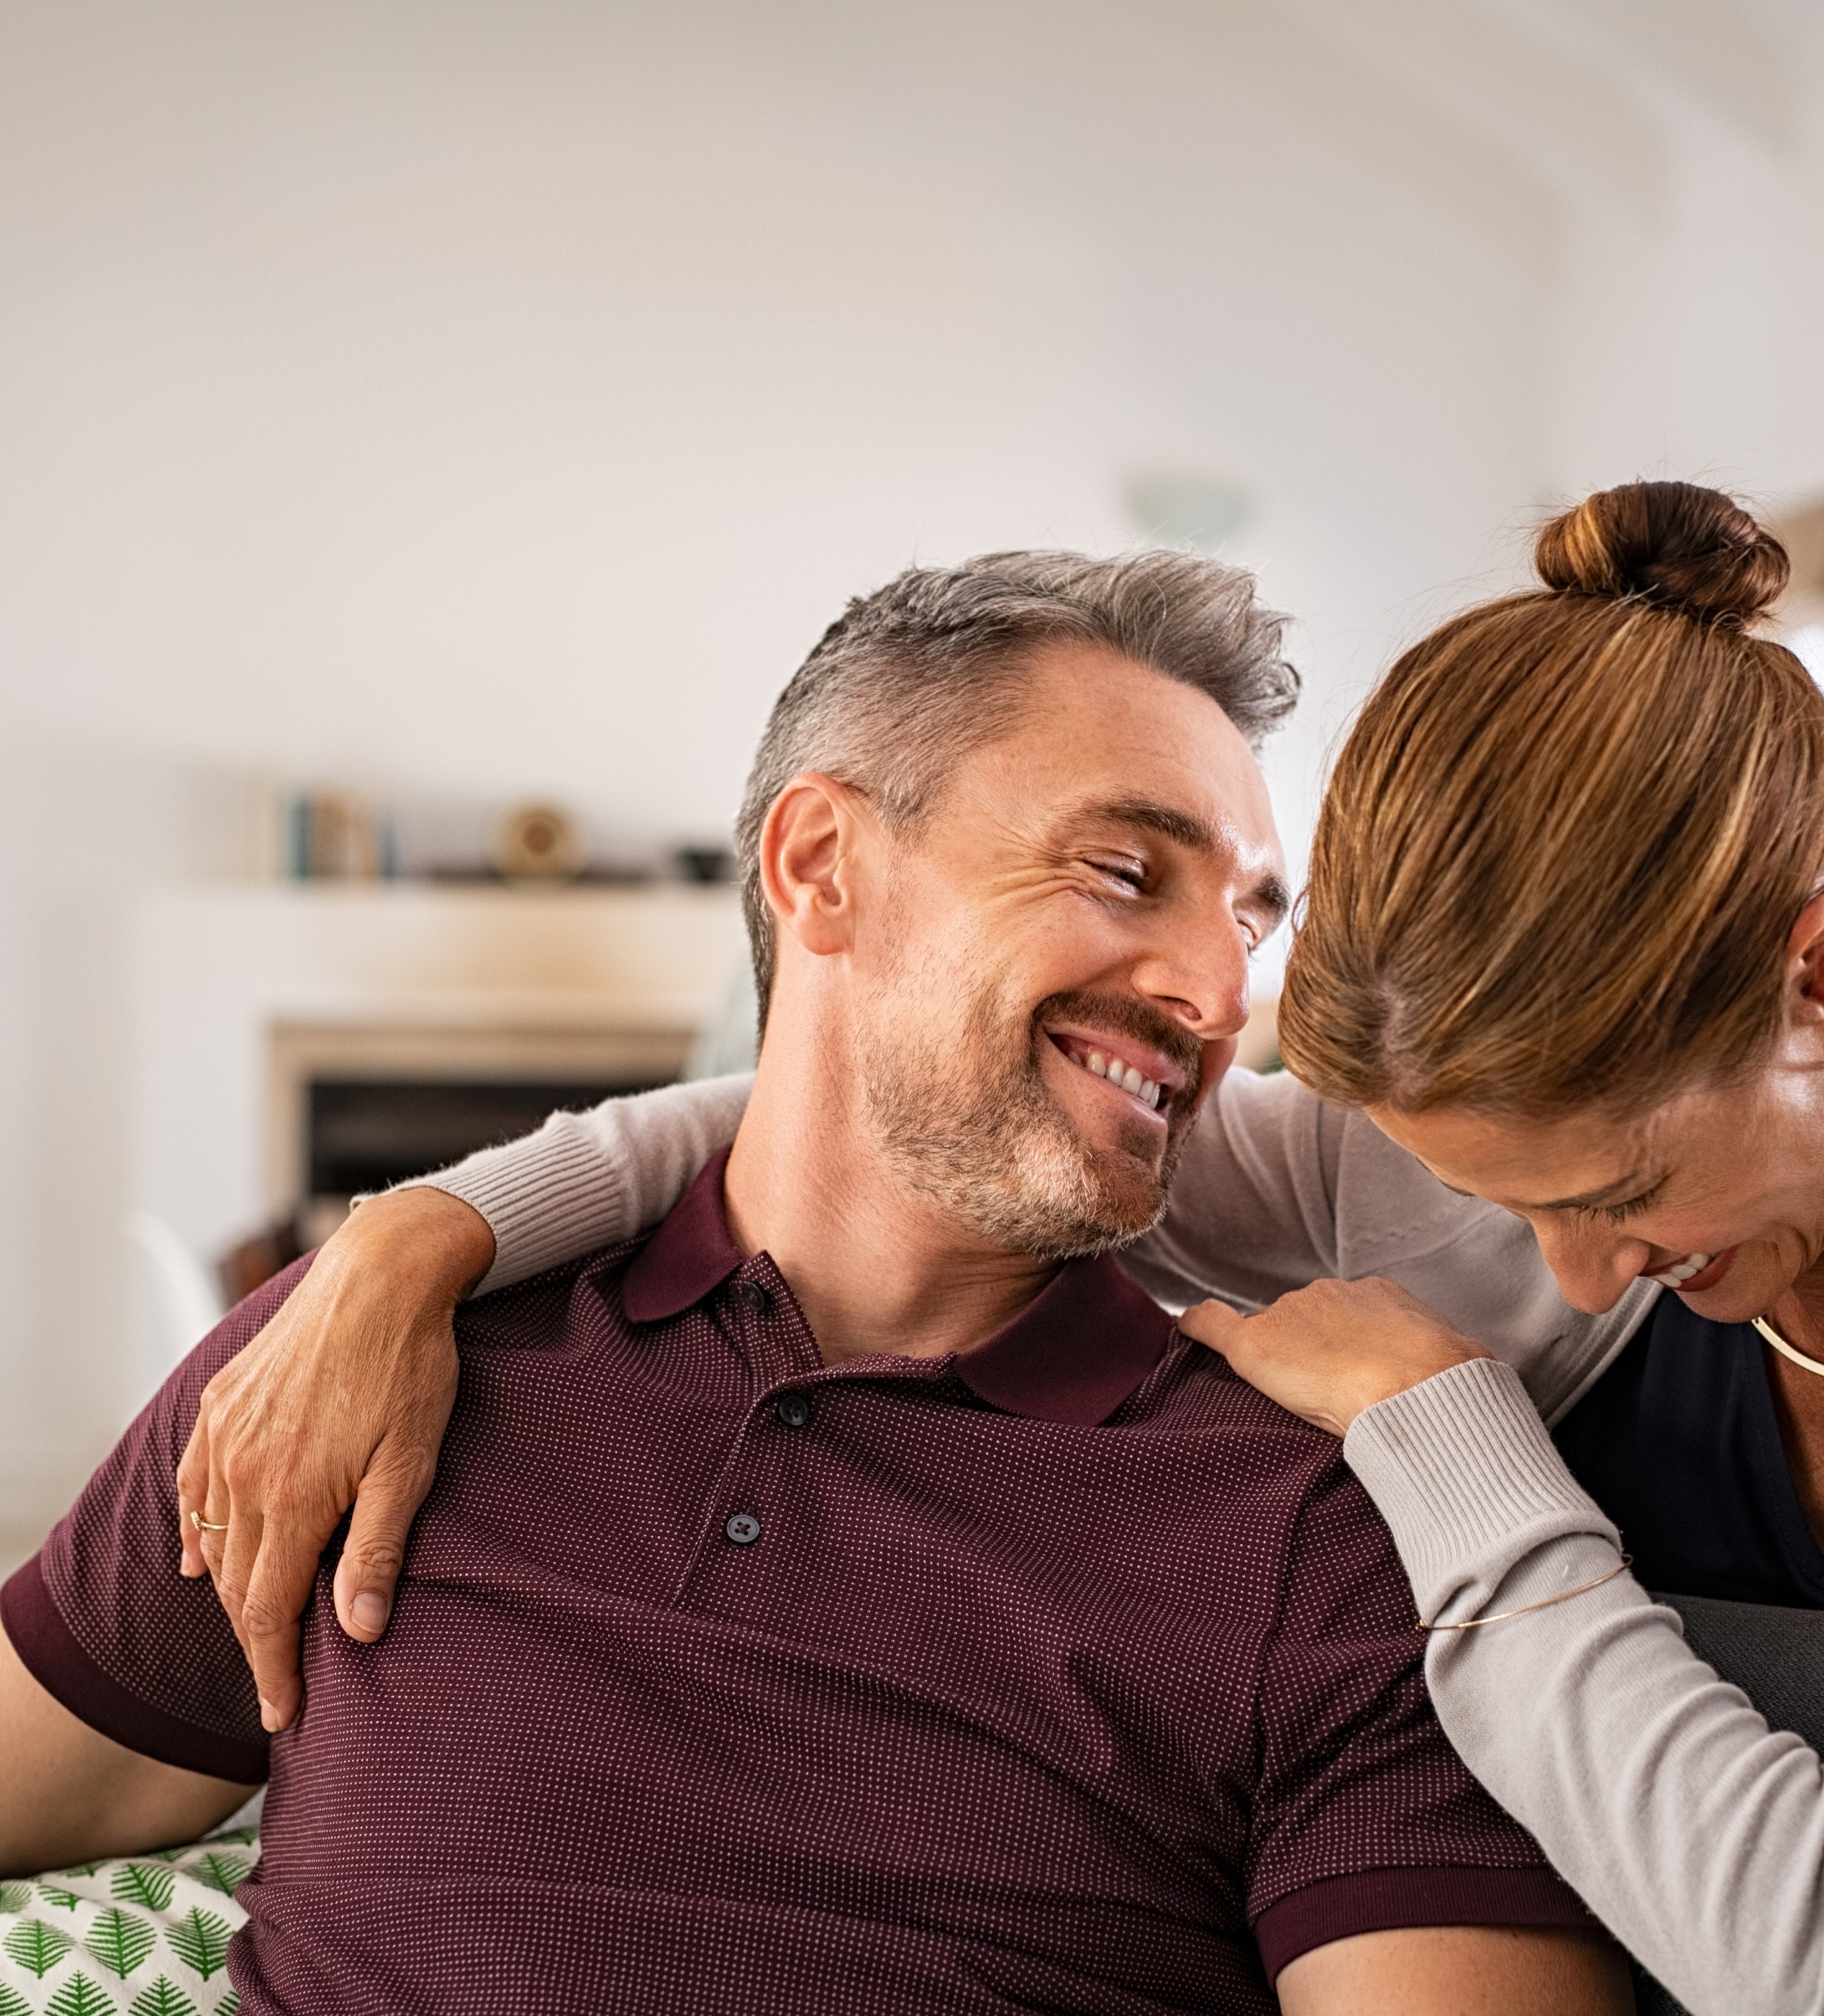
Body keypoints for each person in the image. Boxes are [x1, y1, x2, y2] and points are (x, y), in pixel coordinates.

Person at [177, 483, 1824, 2015]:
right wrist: (419, 1239)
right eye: (1506, 1199)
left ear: (1822, 968)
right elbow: (882, 1120)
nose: (1560, 1271)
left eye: (1619, 1195)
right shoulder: (1417, 1191)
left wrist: (1441, 1429)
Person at [2, 550, 1628, 2015]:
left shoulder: (1311, 1531)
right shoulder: (366, 1364)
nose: (1217, 991)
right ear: (821, 865)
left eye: (1247, 920)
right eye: (1127, 874)